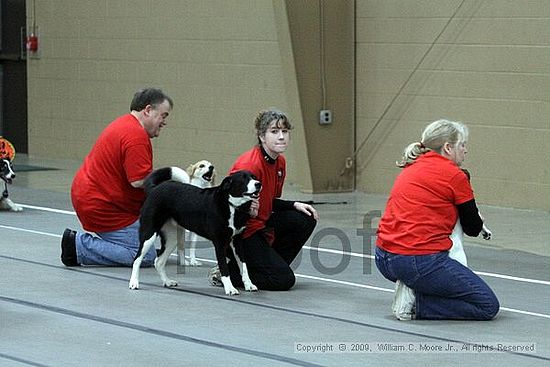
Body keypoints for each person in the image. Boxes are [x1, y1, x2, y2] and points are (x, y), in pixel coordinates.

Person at [375, 119, 500, 321]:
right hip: (416, 261)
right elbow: (472, 228)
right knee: (487, 305)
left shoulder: (412, 167)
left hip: (384, 257)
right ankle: (415, 303)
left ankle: (413, 286)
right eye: (462, 145)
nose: (466, 150)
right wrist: (473, 216)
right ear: (448, 148)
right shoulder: (455, 175)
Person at [61, 88, 173, 267]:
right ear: (148, 110)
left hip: (94, 197)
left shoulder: (125, 124)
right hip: (102, 205)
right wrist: (172, 183)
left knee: (148, 236)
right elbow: (138, 181)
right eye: (163, 115)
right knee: (144, 256)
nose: (164, 122)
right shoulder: (136, 136)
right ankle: (78, 246)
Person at [210, 109, 319, 291]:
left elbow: (269, 200)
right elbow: (224, 203)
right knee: (284, 281)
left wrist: (294, 204)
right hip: (243, 232)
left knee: (304, 218)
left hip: (261, 223)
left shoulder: (279, 162)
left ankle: (269, 267)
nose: (281, 137)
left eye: (285, 131)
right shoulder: (250, 165)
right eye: (274, 132)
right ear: (262, 136)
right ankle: (229, 273)